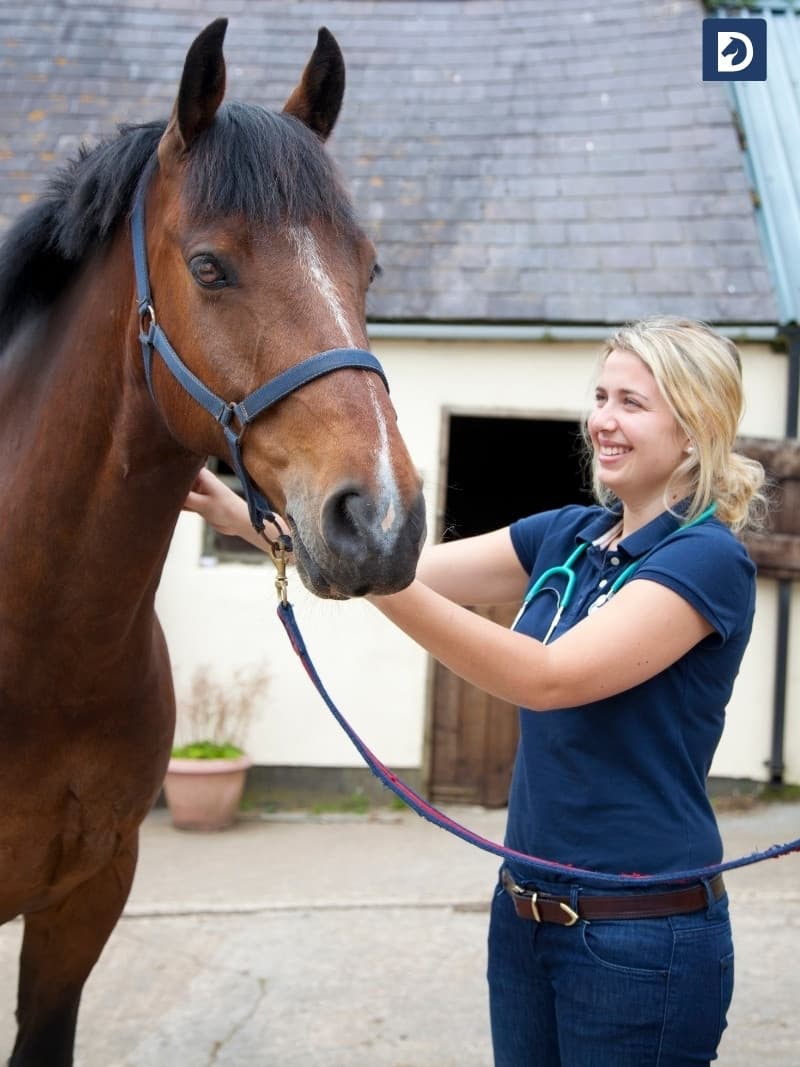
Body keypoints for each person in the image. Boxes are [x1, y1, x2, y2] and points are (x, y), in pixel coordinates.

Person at [185, 316, 766, 1067]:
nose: (603, 421)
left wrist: (366, 571)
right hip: (524, 915)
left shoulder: (706, 558)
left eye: (632, 402)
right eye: (600, 396)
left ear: (693, 430)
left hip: (640, 938)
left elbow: (547, 677)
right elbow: (417, 570)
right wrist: (257, 524)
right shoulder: (570, 535)